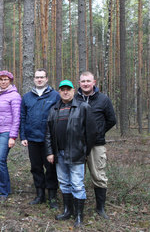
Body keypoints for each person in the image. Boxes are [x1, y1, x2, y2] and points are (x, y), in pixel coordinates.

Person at [45, 80, 97, 228]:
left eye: (68, 89)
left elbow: (91, 132)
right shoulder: (54, 109)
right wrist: (50, 152)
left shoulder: (83, 107)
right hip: (59, 153)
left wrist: (84, 150)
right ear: (59, 92)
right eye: (62, 90)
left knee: (77, 184)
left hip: (76, 153)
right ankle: (68, 211)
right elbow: (48, 133)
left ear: (74, 91)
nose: (65, 92)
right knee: (64, 183)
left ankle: (79, 215)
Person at [75, 71, 116, 219]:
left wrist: (97, 133)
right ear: (79, 83)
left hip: (96, 145)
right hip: (77, 144)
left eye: (88, 81)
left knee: (99, 175)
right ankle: (77, 208)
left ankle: (100, 208)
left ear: (94, 82)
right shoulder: (74, 99)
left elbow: (112, 120)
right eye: (83, 81)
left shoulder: (103, 99)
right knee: (76, 176)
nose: (85, 83)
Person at [20, 69, 60, 208]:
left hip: (49, 140)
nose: (39, 80)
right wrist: (23, 136)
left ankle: (53, 197)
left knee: (51, 168)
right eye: (37, 77)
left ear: (47, 79)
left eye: (42, 77)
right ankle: (40, 195)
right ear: (33, 79)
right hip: (32, 138)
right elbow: (23, 117)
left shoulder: (55, 96)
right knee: (36, 168)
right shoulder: (27, 97)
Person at [0, 70, 21, 201]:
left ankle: (3, 192)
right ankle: (6, 188)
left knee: (0, 160)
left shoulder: (15, 96)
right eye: (1, 79)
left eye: (6, 79)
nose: (3, 81)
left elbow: (17, 118)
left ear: (10, 80)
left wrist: (13, 137)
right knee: (0, 161)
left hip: (6, 132)